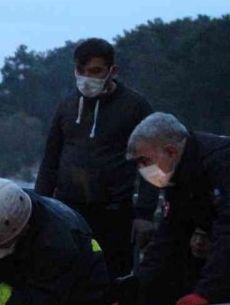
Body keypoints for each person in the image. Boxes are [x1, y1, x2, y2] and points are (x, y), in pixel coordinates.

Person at [35, 38, 157, 278]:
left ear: (113, 71)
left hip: (113, 213)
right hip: (68, 209)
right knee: (67, 274)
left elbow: (151, 161)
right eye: (81, 70)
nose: (87, 77)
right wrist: (40, 205)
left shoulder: (135, 106)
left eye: (96, 71)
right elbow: (51, 159)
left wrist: (144, 214)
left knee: (111, 277)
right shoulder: (67, 106)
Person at [127, 113, 230, 305]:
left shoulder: (221, 163)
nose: (142, 170)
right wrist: (134, 291)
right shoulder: (181, 176)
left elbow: (227, 230)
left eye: (145, 161)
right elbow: (168, 237)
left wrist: (206, 292)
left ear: (171, 151)